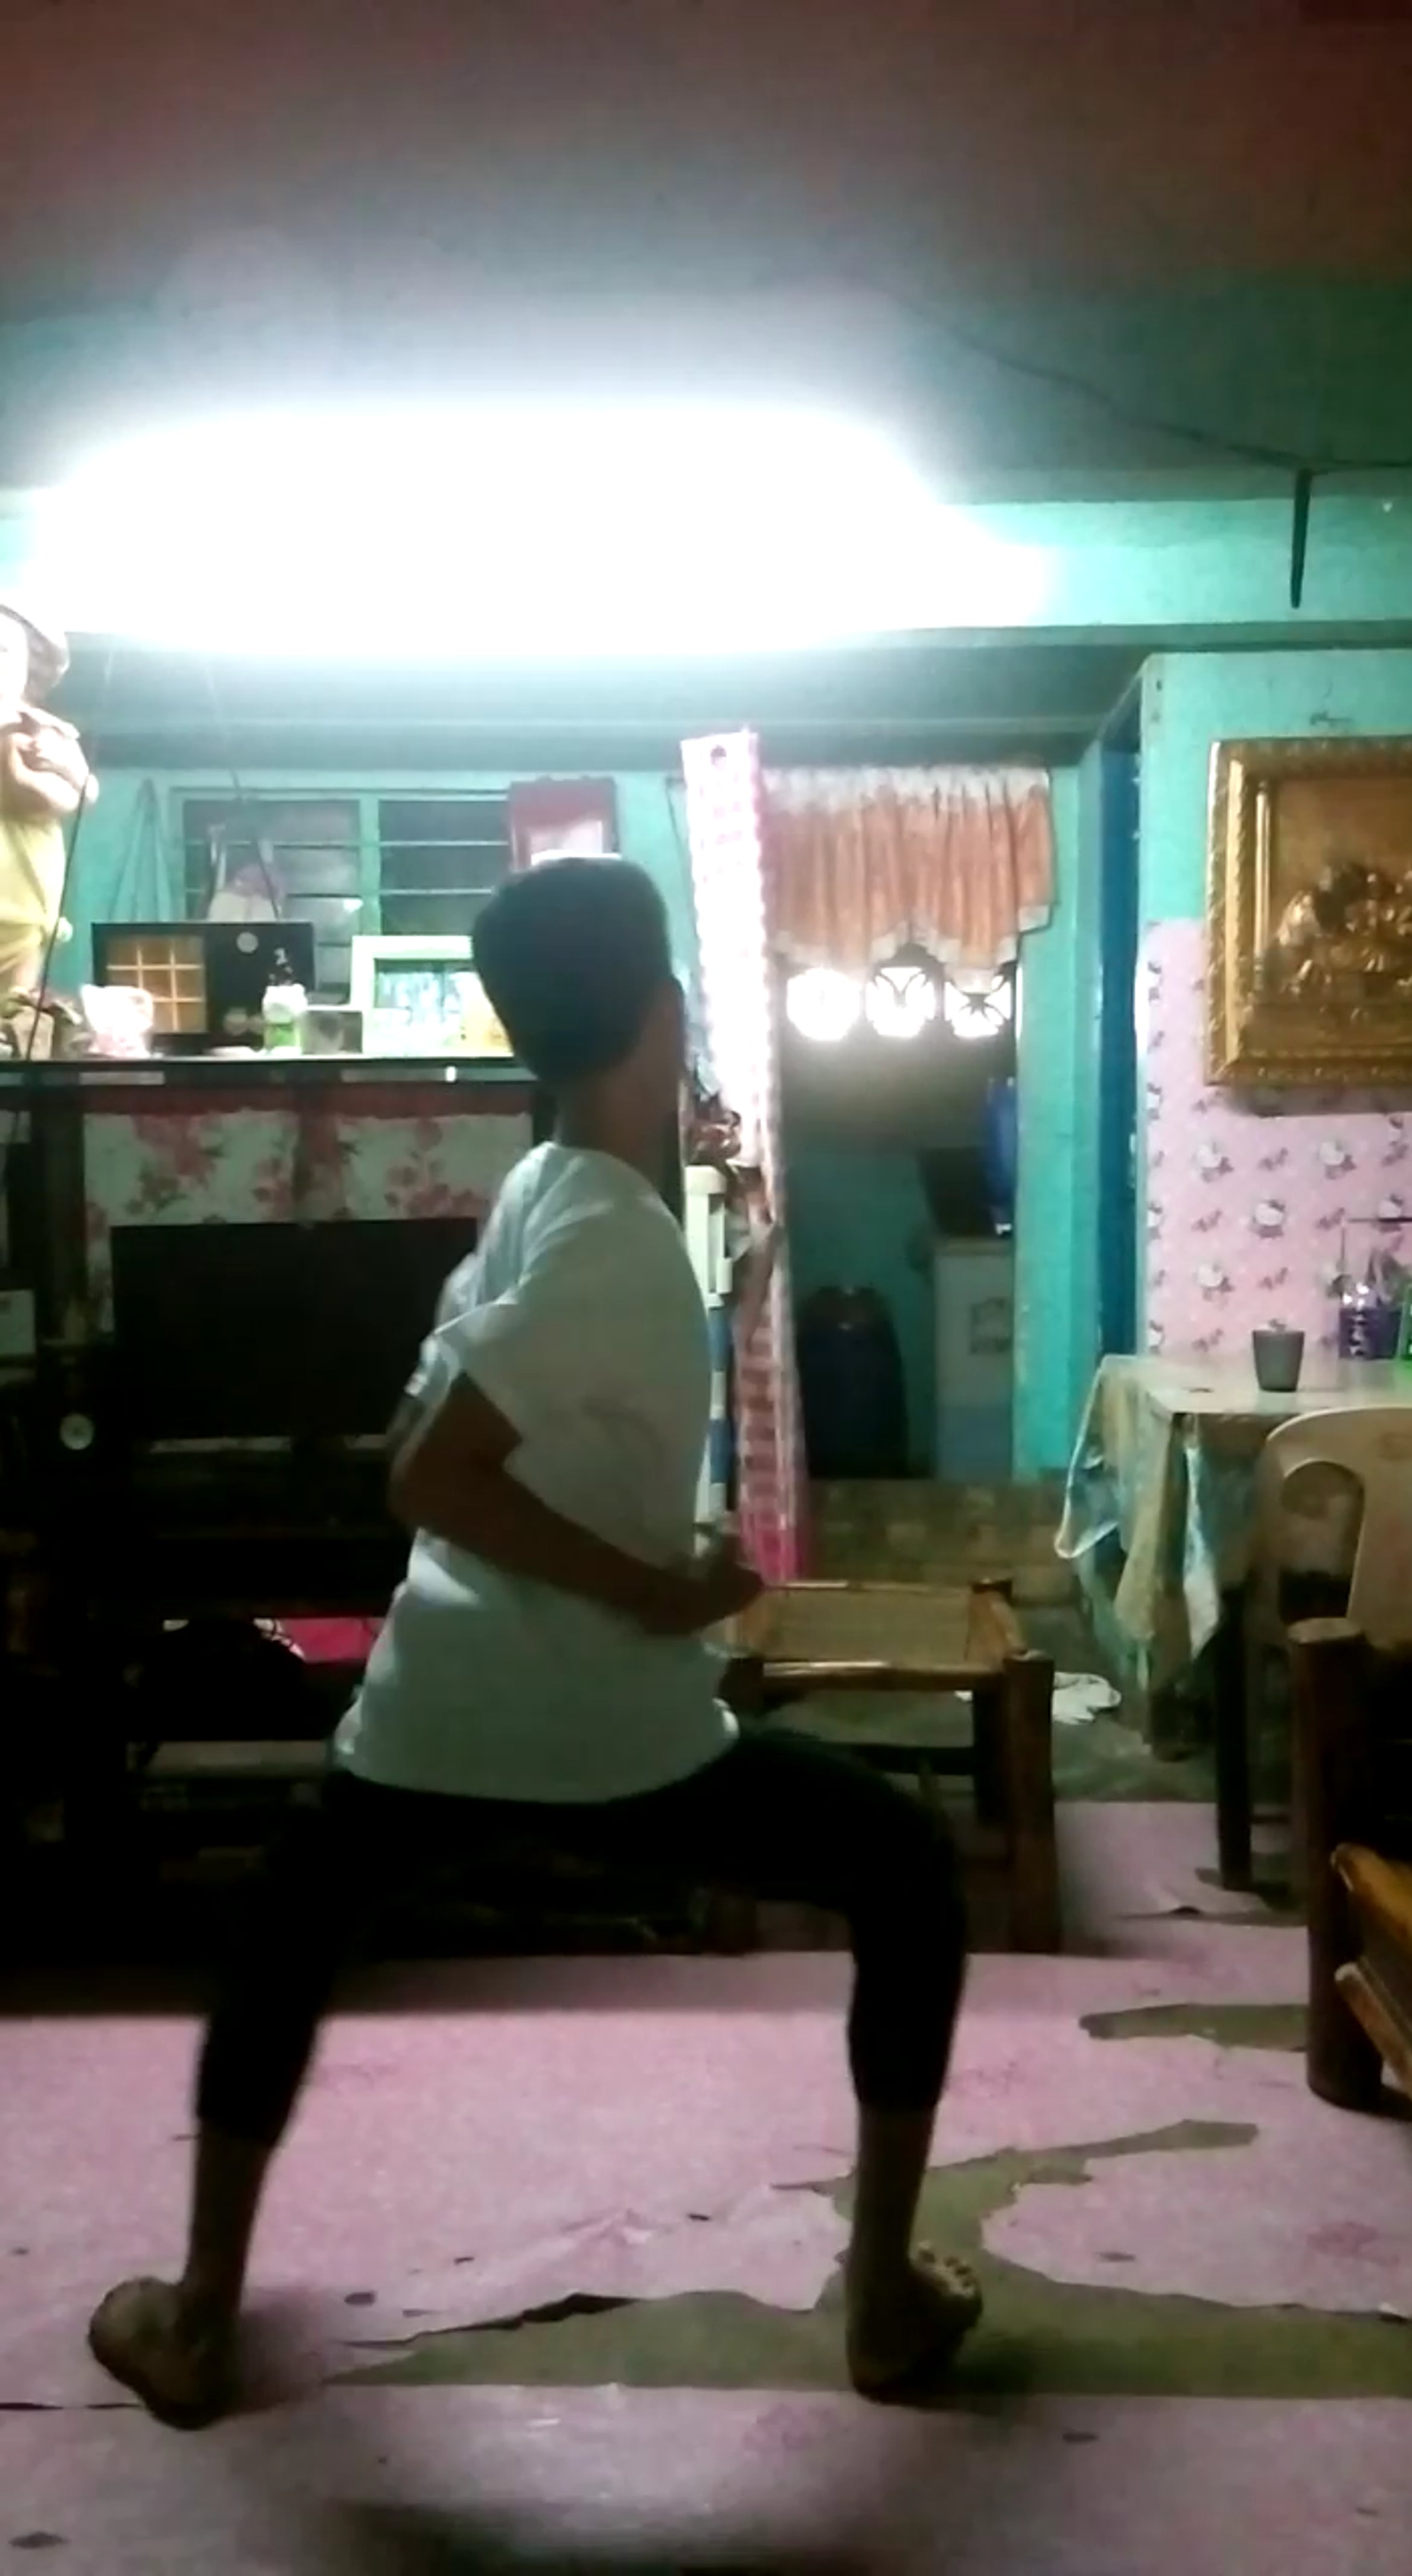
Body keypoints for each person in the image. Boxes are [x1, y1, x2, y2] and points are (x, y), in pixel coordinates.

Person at [88, 857, 977, 2429]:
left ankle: (200, 2312)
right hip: (613, 1731)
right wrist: (651, 1588)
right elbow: (428, 1474)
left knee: (286, 1929)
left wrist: (641, 1541)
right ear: (665, 1012)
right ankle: (886, 2301)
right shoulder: (612, 1235)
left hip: (435, 1715)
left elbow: (441, 1422)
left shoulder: (544, 1192)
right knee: (907, 1868)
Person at [0, 598, 95, 999]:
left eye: (4, 651)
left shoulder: (47, 731)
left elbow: (83, 791)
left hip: (24, 889)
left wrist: (55, 768)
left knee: (14, 1007)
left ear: (31, 666)